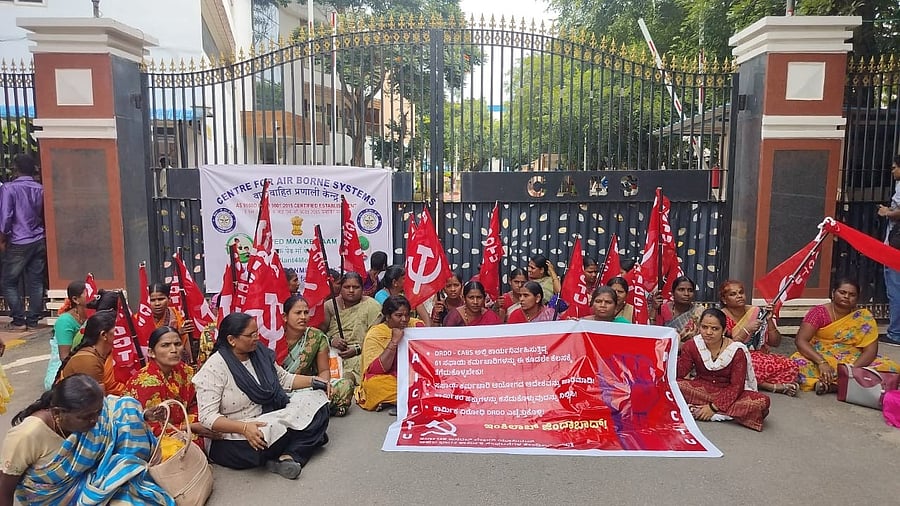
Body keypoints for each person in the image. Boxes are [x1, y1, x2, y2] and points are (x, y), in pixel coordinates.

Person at [192, 313, 330, 480]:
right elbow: (207, 417)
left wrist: (316, 382)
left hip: (268, 417)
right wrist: (244, 428)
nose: (256, 338)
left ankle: (289, 456)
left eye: (257, 333)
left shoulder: (260, 353)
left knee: (317, 402)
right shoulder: (214, 368)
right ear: (231, 340)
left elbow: (284, 379)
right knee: (278, 433)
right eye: (250, 335)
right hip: (233, 436)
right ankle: (303, 443)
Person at [0, 374, 174, 504]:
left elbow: (119, 413)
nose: (96, 421)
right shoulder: (27, 435)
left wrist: (143, 416)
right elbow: (4, 491)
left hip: (94, 487)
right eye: (87, 417)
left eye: (98, 413)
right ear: (57, 413)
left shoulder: (96, 415)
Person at [790, 278, 900, 393]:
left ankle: (833, 386)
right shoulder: (818, 313)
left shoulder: (863, 317)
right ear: (833, 293)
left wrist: (851, 370)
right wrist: (821, 362)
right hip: (821, 355)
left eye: (852, 294)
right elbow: (801, 340)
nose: (846, 296)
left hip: (853, 359)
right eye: (842, 292)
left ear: (857, 299)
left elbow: (870, 351)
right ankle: (847, 384)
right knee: (796, 364)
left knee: (892, 368)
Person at [124, 326, 222, 451]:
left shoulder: (185, 371)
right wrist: (191, 427)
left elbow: (197, 402)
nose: (174, 350)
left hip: (185, 425)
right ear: (151, 353)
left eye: (177, 344)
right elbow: (152, 428)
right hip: (150, 437)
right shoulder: (147, 382)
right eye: (165, 345)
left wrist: (197, 422)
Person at [676, 308, 771, 432]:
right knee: (675, 385)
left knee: (761, 402)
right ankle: (731, 414)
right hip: (701, 389)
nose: (708, 332)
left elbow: (736, 387)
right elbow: (681, 373)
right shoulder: (692, 345)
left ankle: (698, 409)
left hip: (729, 392)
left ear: (724, 330)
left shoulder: (736, 351)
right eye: (704, 327)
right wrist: (672, 347)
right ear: (699, 327)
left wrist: (713, 407)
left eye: (714, 329)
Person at [719, 280, 800, 396]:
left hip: (759, 356)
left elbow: (775, 343)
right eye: (733, 294)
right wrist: (746, 330)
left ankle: (750, 382)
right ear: (724, 299)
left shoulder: (758, 312)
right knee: (739, 367)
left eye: (741, 292)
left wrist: (770, 321)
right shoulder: (720, 317)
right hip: (733, 358)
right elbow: (724, 347)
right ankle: (768, 386)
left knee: (791, 366)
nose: (739, 296)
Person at [281, 295, 354, 416]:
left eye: (306, 312)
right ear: (285, 317)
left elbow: (324, 370)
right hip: (282, 388)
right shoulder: (274, 338)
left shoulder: (316, 337)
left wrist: (324, 387)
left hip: (307, 387)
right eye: (298, 313)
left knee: (344, 386)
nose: (303, 317)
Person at [0, 154, 46, 331]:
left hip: (19, 240)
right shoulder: (39, 188)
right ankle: (33, 321)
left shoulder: (9, 189)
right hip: (38, 238)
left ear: (15, 168)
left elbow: (5, 217)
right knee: (35, 280)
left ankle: (19, 320)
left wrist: (2, 239)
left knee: (8, 281)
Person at [357, 295, 425, 413]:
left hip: (415, 375)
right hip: (390, 377)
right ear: (388, 317)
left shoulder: (416, 326)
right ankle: (417, 399)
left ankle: (400, 401)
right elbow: (375, 370)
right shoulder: (376, 334)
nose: (404, 319)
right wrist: (394, 342)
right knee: (373, 385)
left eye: (407, 315)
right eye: (398, 315)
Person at [319, 272, 382, 387]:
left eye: (356, 287)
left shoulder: (372, 305)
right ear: (340, 288)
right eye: (347, 287)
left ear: (362, 289)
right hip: (333, 354)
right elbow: (319, 334)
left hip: (361, 354)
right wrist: (332, 340)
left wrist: (357, 349)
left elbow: (377, 337)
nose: (351, 290)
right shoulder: (329, 306)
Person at [58, 311, 126, 395]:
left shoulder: (109, 353)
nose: (124, 333)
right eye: (119, 330)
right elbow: (98, 401)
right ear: (104, 335)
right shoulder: (88, 361)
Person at [44, 281, 87, 391]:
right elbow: (64, 357)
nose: (92, 296)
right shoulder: (65, 321)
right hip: (68, 363)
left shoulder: (93, 314)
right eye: (87, 293)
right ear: (75, 300)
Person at [879, 155, 900, 344]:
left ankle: (895, 333)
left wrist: (887, 212)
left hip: (895, 248)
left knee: (895, 290)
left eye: (894, 167)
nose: (892, 171)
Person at [148, 282, 195, 361]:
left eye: (161, 299)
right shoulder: (141, 320)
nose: (157, 303)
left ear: (169, 299)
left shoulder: (176, 315)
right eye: (152, 300)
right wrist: (177, 333)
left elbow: (185, 342)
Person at [654, 276, 704, 342]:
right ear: (672, 293)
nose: (686, 294)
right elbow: (655, 332)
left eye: (690, 290)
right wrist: (654, 309)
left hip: (690, 350)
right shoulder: (662, 309)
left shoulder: (699, 312)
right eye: (681, 290)